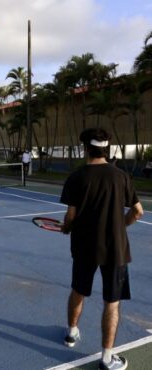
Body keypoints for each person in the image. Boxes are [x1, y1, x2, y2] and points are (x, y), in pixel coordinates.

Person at [60, 128, 143, 370]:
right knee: (112, 303)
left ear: (86, 148)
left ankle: (72, 334)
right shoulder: (121, 176)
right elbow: (137, 212)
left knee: (78, 291)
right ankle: (107, 358)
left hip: (84, 246)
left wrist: (67, 228)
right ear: (106, 148)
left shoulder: (77, 177)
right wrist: (121, 226)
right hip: (115, 249)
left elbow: (70, 216)